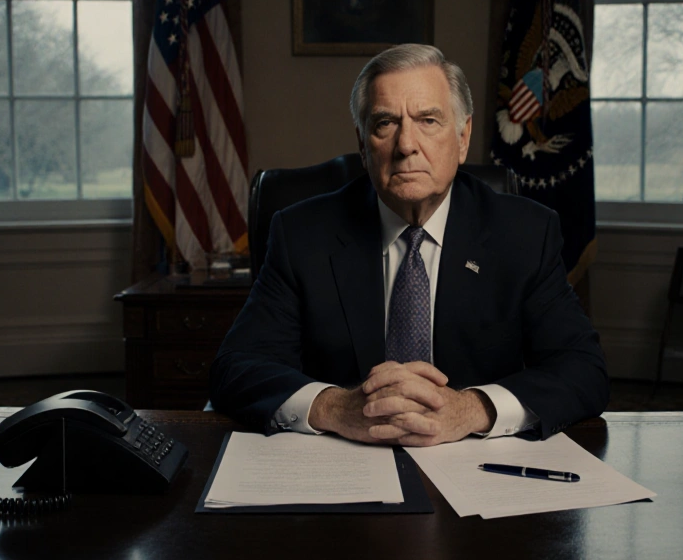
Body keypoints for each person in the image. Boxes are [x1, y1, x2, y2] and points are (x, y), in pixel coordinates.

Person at [210, 44, 607, 446]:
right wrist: (337, 407)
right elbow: (237, 367)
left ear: (463, 137)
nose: (406, 145)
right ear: (364, 146)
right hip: (342, 465)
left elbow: (583, 369)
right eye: (385, 123)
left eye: (428, 120)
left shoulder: (524, 233)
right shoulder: (301, 234)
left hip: (473, 469)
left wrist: (472, 410)